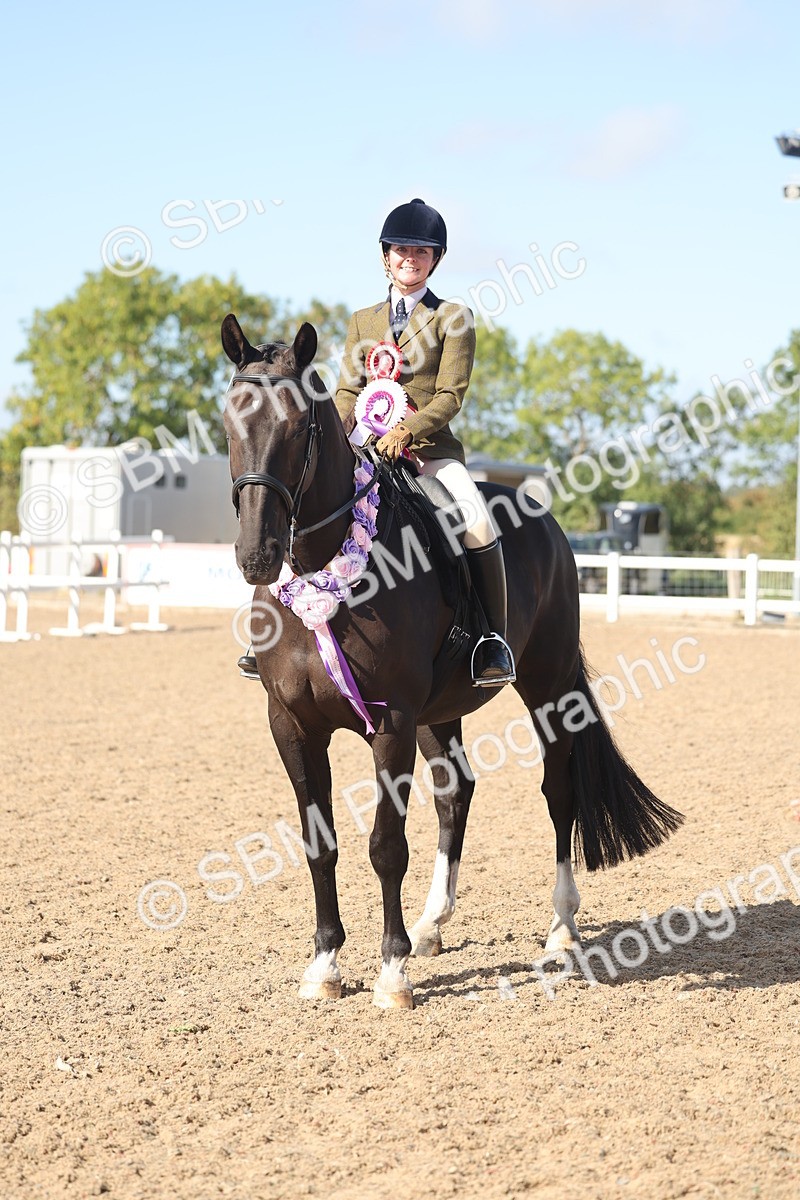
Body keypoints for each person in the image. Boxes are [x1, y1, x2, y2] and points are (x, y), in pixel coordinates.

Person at [334, 198, 516, 688]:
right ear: (385, 256)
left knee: (476, 520)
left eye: (420, 251)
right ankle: (275, 635)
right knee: (306, 501)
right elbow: (349, 388)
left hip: (427, 453)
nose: (409, 258)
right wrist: (339, 429)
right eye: (401, 250)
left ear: (435, 260)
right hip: (365, 448)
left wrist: (407, 431)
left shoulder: (452, 317)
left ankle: (491, 640)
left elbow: (450, 395)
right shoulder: (362, 320)